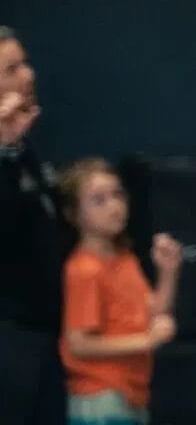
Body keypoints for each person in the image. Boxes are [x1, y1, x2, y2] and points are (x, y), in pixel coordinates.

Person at [57, 159, 182, 425]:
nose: (114, 206)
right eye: (99, 200)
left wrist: (168, 272)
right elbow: (78, 343)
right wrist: (146, 341)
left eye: (118, 195)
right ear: (73, 214)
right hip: (101, 397)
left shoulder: (125, 259)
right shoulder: (84, 270)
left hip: (132, 393)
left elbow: (153, 312)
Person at [0, 30, 69, 425]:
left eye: (25, 63)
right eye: (12, 69)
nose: (28, 75)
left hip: (46, 334)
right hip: (10, 339)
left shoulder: (23, 148)